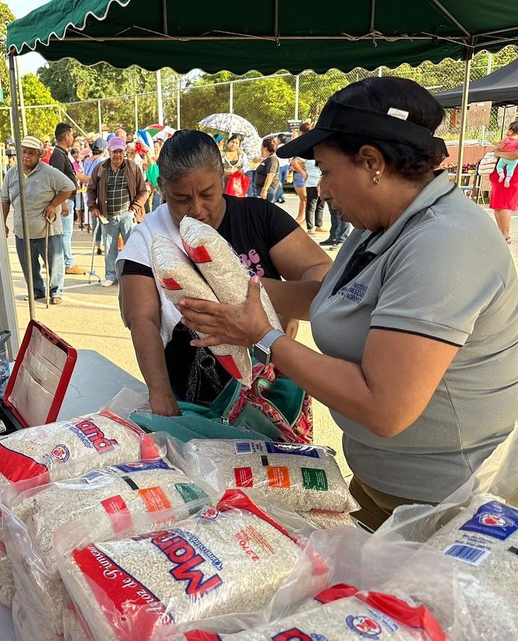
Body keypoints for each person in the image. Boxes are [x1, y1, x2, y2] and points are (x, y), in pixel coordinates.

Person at [175, 77, 518, 530]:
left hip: (446, 506)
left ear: (371, 163)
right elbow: (331, 296)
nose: (323, 189)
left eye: (326, 171)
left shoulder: (443, 244)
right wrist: (229, 288)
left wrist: (264, 338)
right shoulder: (381, 223)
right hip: (383, 485)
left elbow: (384, 407)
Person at [118, 130, 330, 413]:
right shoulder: (149, 237)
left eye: (208, 194)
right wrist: (160, 392)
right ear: (161, 188)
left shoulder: (258, 216)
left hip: (268, 391)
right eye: (180, 198)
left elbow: (322, 278)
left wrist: (273, 301)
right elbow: (141, 318)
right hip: (190, 395)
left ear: (223, 179)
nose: (197, 209)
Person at [1, 135, 73, 305]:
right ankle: (36, 290)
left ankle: (56, 291)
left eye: (31, 153)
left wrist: (53, 204)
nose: (26, 156)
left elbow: (68, 187)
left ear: (38, 155)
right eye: (24, 152)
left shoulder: (49, 172)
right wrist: (2, 223)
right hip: (22, 231)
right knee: (28, 265)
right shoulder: (12, 173)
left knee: (54, 263)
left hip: (47, 228)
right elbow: (5, 199)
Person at [87, 136, 149, 288]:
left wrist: (133, 209)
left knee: (133, 247)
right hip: (107, 216)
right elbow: (91, 190)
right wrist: (93, 208)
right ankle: (111, 275)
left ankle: (133, 275)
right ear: (109, 151)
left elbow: (143, 191)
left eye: (121, 151)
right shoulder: (100, 168)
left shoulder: (133, 167)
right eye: (115, 151)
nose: (118, 155)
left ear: (125, 152)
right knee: (109, 247)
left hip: (127, 215)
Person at [48, 123, 85, 276]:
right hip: (65, 200)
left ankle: (65, 261)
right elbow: (57, 179)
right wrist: (62, 202)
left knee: (65, 233)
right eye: (71, 135)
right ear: (66, 136)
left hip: (68, 198)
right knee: (65, 234)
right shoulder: (57, 155)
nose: (72, 138)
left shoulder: (62, 154)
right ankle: (67, 263)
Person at [491, 119, 518, 243]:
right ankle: (501, 232)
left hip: (510, 176)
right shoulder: (507, 142)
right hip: (501, 176)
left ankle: (505, 234)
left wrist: (499, 154)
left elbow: (514, 155)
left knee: (503, 204)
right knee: (498, 205)